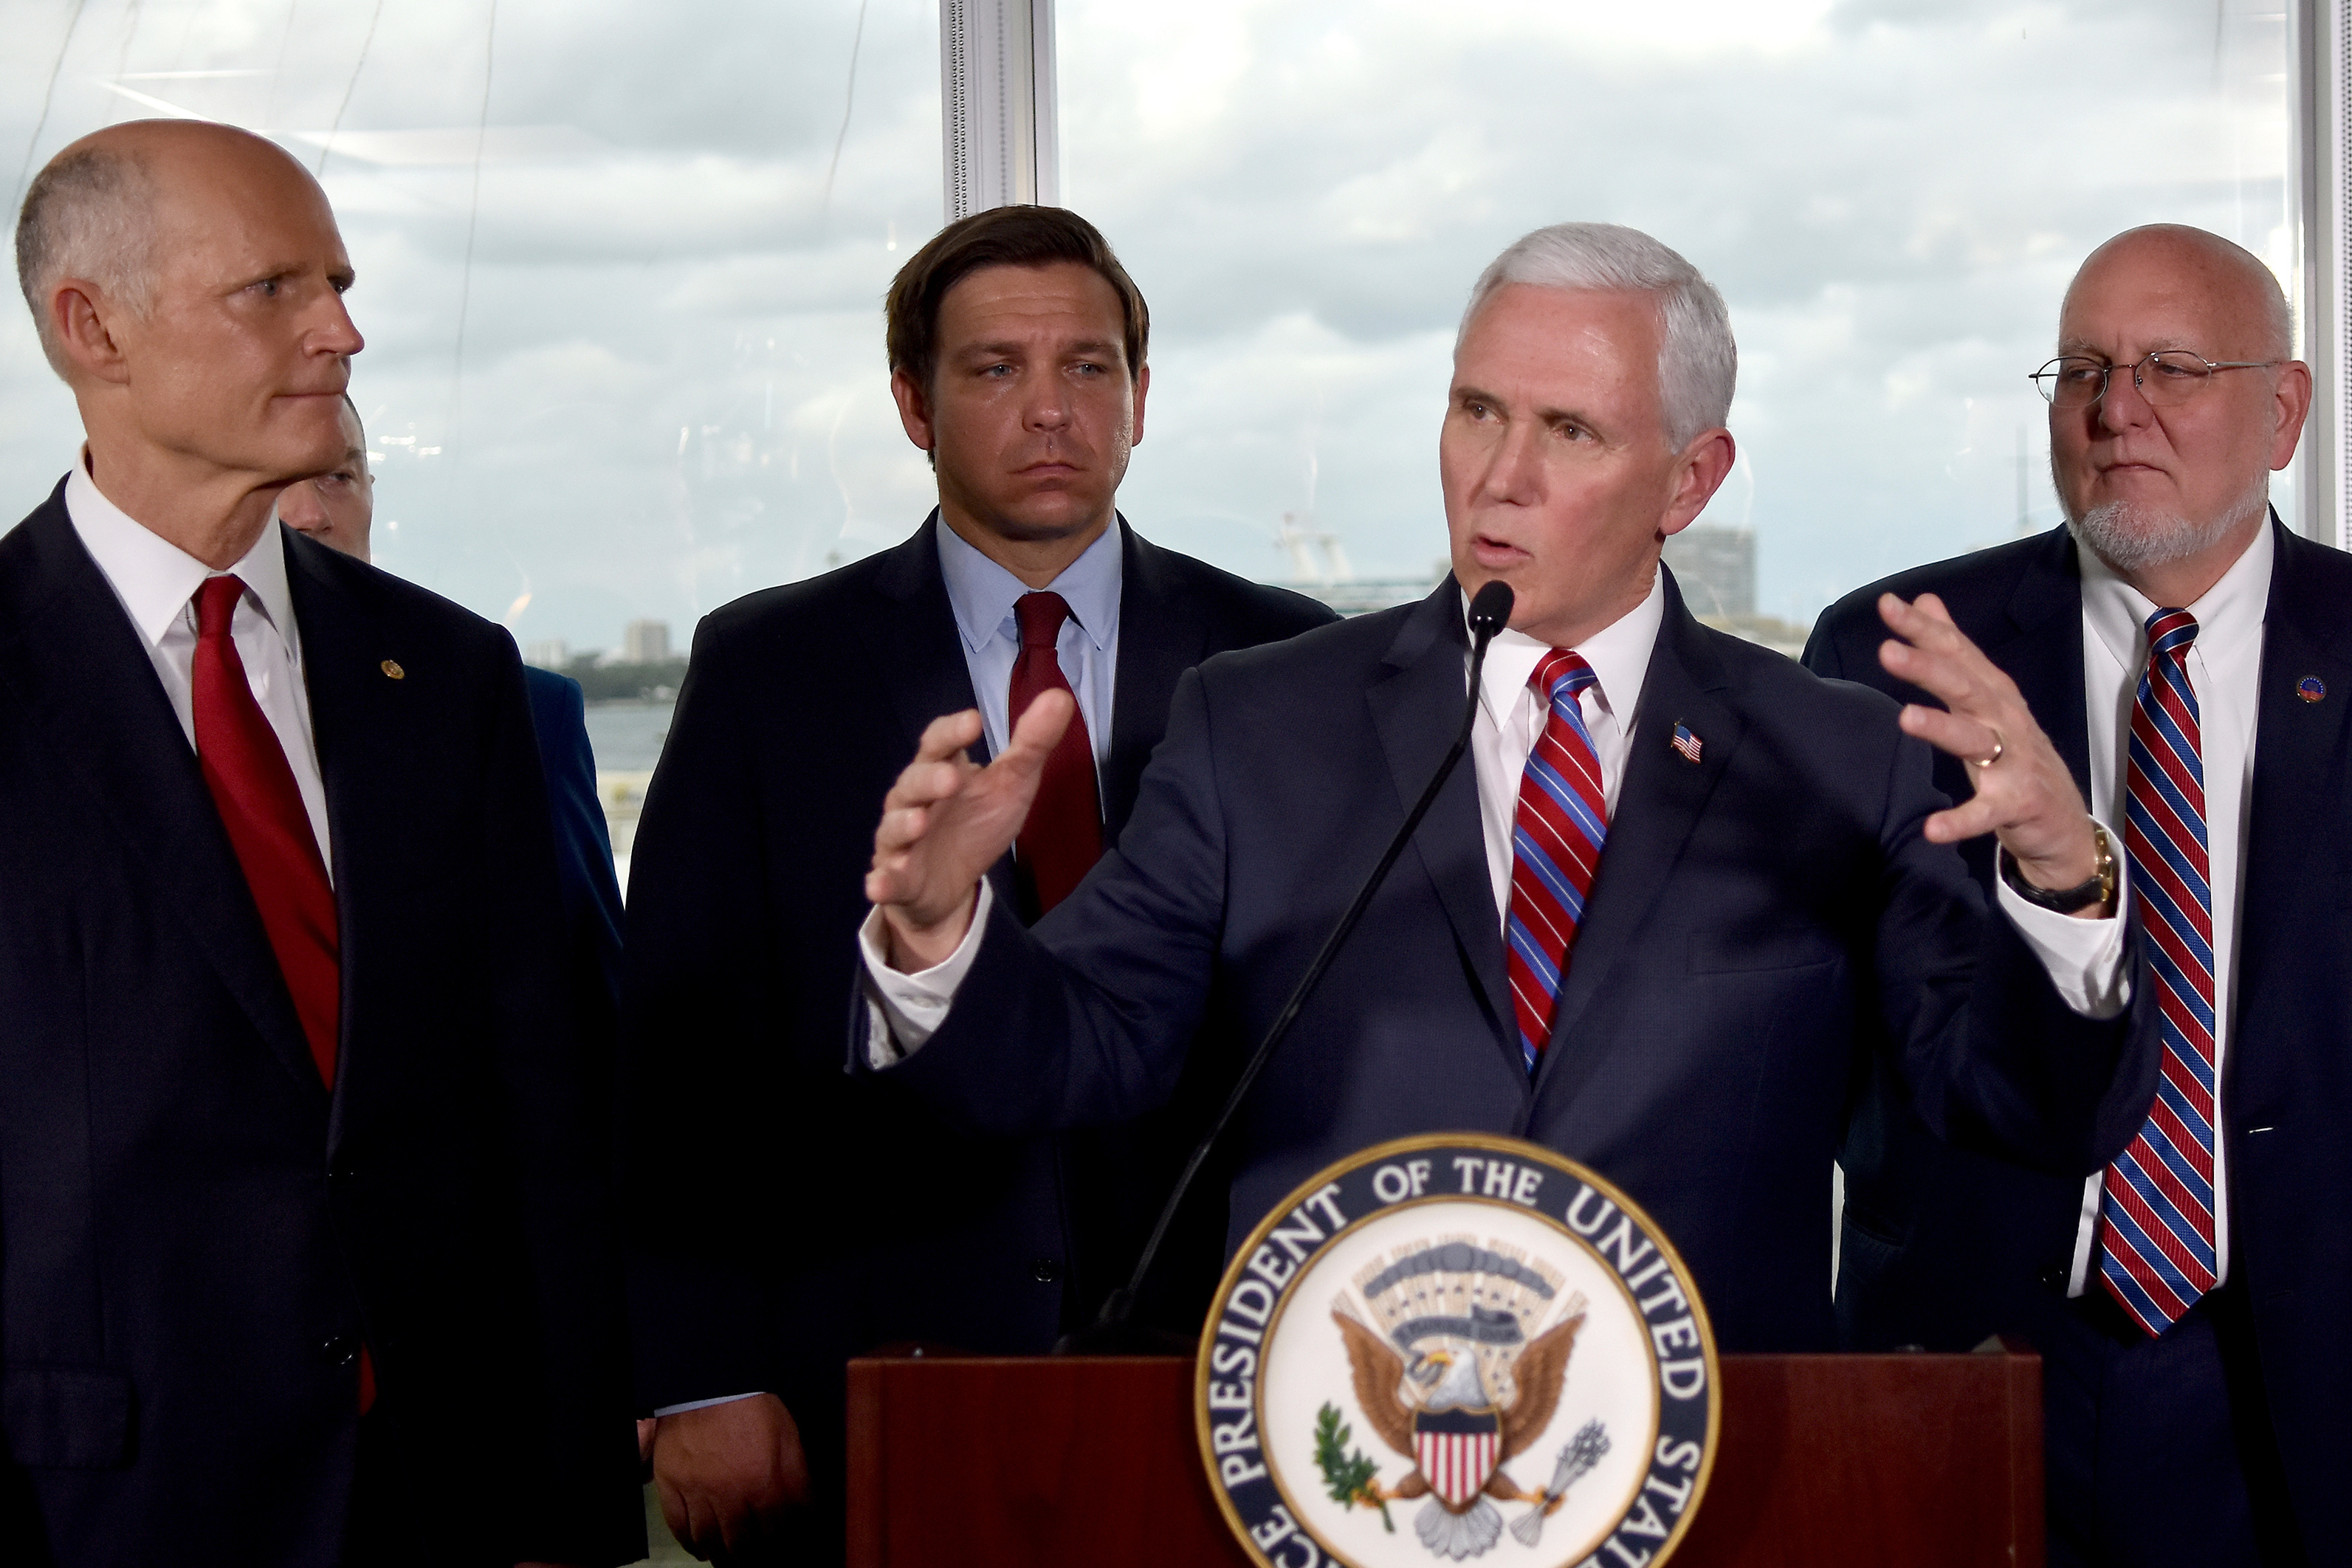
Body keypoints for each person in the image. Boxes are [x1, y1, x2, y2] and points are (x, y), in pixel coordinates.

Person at [857, 221, 2154, 1368]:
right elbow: (1083, 1041)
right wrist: (936, 936)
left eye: (1569, 430)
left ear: (1688, 481)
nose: (1500, 474)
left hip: (1716, 1469)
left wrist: (2061, 879)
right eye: (1477, 410)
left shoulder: (1837, 753)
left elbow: (2022, 1109)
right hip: (1341, 1456)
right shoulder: (1256, 722)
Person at [622, 204, 1333, 1561]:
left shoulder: (1289, 658)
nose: (1051, 410)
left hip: (1234, 1372)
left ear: (1140, 396)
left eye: (1088, 367)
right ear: (912, 402)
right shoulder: (769, 668)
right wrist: (699, 1370)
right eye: (996, 369)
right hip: (871, 1366)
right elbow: (683, 1045)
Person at [0, 120, 642, 1566]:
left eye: (339, 283)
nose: (343, 333)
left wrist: (567, 1501)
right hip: (98, 1506)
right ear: (91, 327)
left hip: (442, 1492)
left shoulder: (452, 677)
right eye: (273, 290)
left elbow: (541, 1116)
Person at [1806, 224, 2336, 1565]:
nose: (2116, 410)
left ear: (2282, 410)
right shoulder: (1898, 658)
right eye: (2081, 368)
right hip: (1973, 1357)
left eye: (2171, 366)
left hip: (2305, 1373)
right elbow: (1833, 1043)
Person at [281, 394, 625, 1014]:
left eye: (338, 477)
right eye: (274, 478)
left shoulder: (524, 712)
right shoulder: (157, 707)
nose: (309, 514)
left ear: (371, 490)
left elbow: (590, 1000)